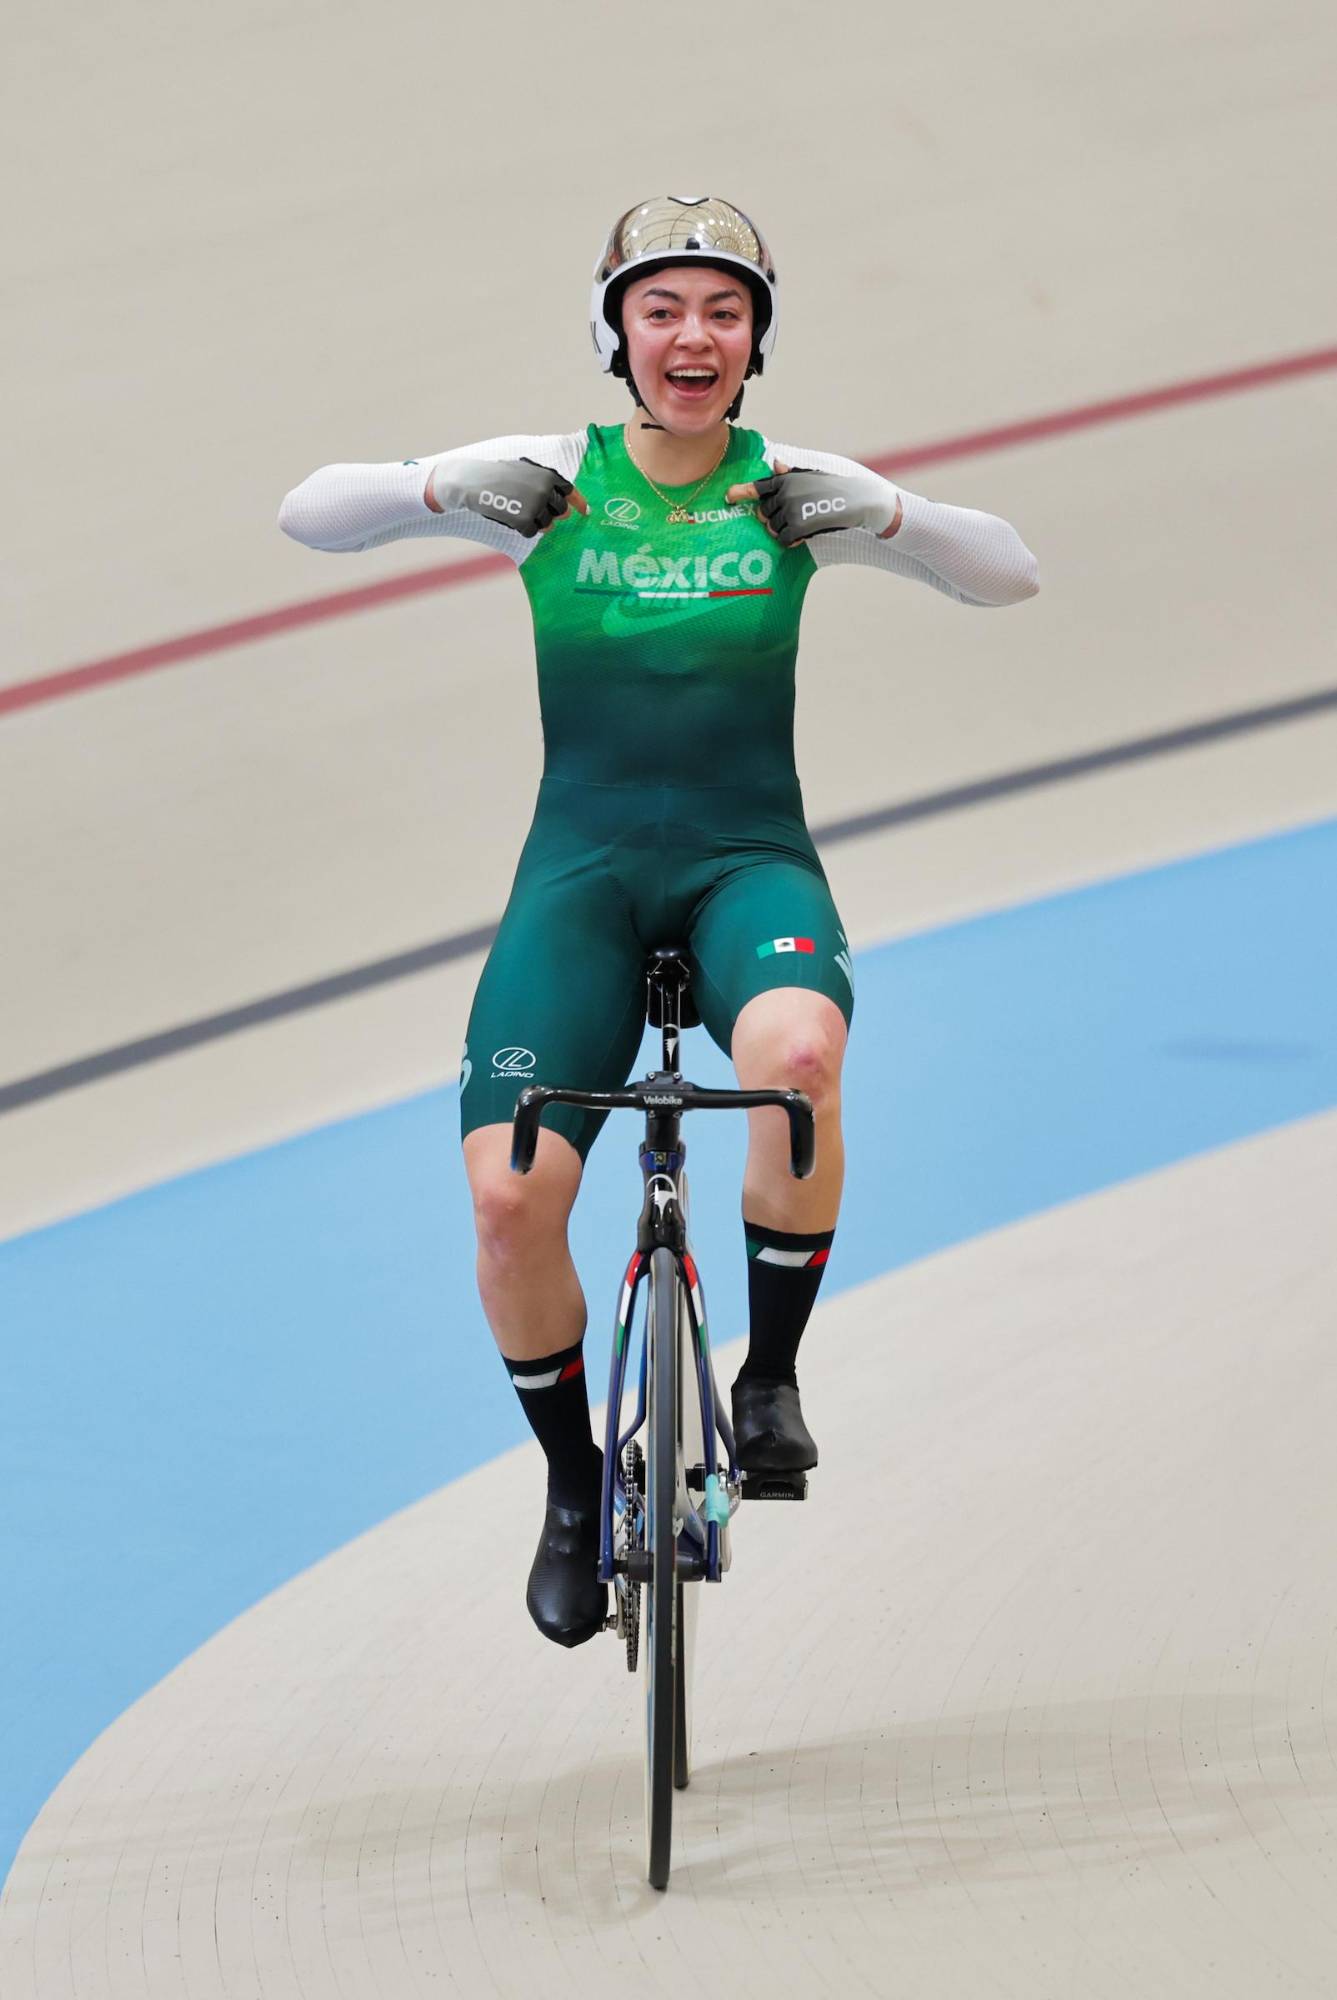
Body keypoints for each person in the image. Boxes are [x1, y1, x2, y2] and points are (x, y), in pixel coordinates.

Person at [279, 194, 1039, 1650]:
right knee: (508, 1200)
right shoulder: (552, 480)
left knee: (799, 1061)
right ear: (614, 333)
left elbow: (1006, 572)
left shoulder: (788, 483)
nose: (692, 337)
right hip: (581, 882)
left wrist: (886, 515)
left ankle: (768, 1381)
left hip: (748, 866)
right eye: (662, 310)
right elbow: (309, 515)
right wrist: (438, 488)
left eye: (723, 313)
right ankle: (573, 1491)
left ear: (755, 342)